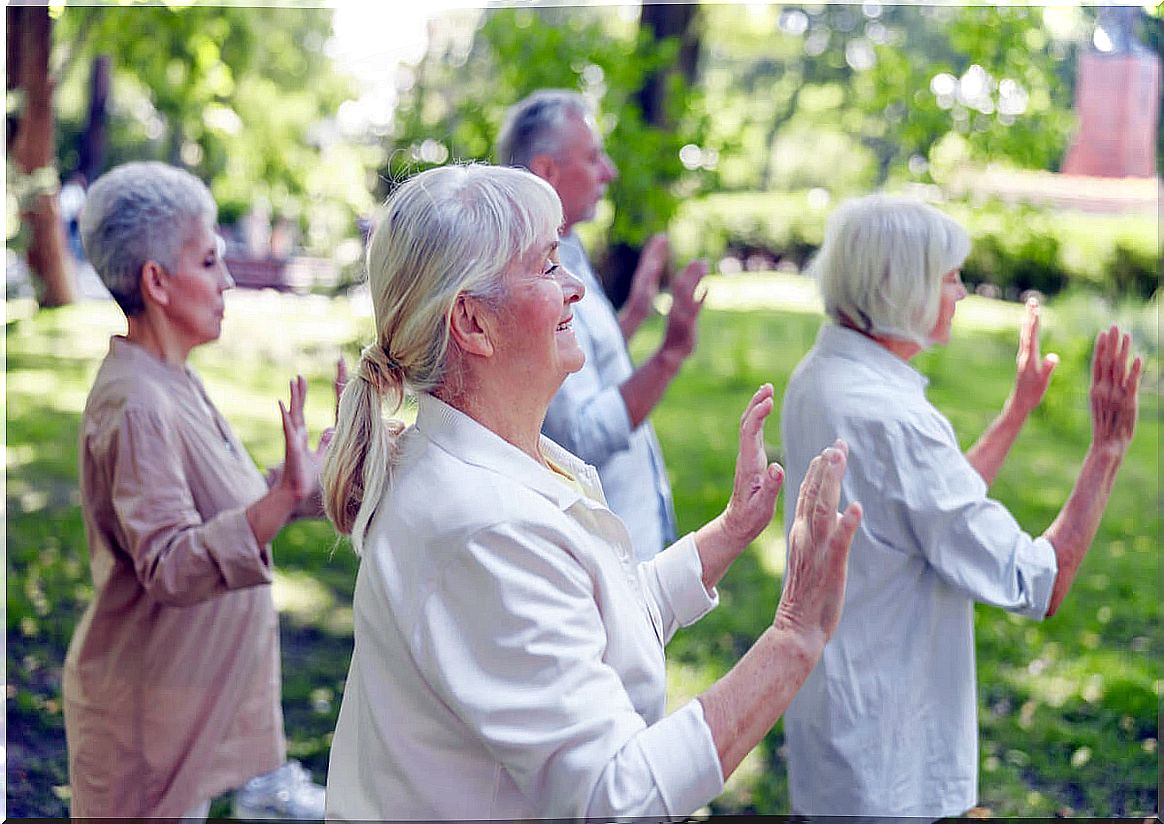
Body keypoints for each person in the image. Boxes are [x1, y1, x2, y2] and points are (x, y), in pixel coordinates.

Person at [321, 163, 862, 820]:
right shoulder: (487, 527)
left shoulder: (493, 463)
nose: (577, 287)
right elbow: (615, 796)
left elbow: (587, 622)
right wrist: (794, 637)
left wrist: (728, 533)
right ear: (472, 323)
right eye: (549, 267)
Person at [778, 194, 1143, 818]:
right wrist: (1106, 451)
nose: (962, 294)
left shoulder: (823, 375)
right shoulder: (892, 419)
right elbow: (1036, 581)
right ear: (902, 287)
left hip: (837, 731)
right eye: (951, 279)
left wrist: (1017, 410)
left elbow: (923, 512)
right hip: (891, 767)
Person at [63, 161, 333, 819]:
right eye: (210, 261)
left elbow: (227, 511)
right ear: (156, 281)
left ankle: (263, 786)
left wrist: (318, 482)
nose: (228, 281)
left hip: (193, 700)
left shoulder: (170, 377)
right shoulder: (137, 404)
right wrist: (278, 500)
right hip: (143, 727)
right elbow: (172, 564)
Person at [497, 89, 707, 561]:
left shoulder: (564, 248)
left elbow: (579, 363)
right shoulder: (526, 272)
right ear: (547, 171)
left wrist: (632, 315)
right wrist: (671, 354)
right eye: (593, 158)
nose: (608, 172)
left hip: (627, 541)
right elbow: (580, 437)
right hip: (605, 557)